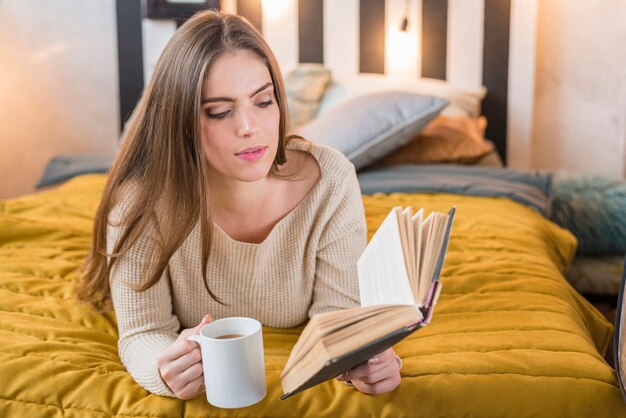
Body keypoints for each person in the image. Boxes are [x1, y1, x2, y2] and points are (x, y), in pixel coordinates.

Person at [78, 10, 401, 400]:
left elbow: (337, 312)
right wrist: (162, 368)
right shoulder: (140, 203)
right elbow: (144, 330)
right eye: (220, 111)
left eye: (263, 102)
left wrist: (365, 359)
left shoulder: (331, 179)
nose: (249, 126)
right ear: (179, 119)